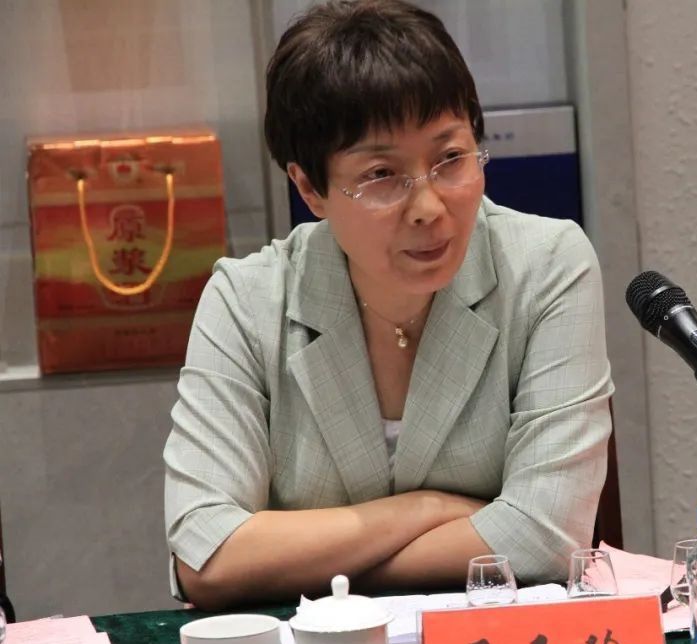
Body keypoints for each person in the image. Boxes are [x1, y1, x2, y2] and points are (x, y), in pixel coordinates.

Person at [163, 0, 613, 610]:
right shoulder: (248, 301)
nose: (428, 207)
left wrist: (308, 568)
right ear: (309, 188)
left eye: (450, 159)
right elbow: (206, 555)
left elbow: (545, 536)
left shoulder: (545, 266)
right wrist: (423, 509)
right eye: (381, 175)